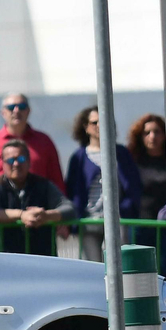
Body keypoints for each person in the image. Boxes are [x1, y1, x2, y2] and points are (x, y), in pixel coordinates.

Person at [66, 106, 143, 261]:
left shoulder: (121, 153)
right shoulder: (79, 157)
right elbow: (72, 189)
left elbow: (133, 185)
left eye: (104, 121)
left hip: (116, 221)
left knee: (118, 263)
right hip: (89, 221)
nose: (100, 126)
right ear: (86, 127)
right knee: (93, 266)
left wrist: (124, 209)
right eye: (95, 122)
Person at [0, 139, 73, 257]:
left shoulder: (43, 185)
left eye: (21, 159)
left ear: (29, 162)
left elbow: (69, 208)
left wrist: (46, 216)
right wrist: (21, 215)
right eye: (10, 160)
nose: (16, 164)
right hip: (5, 258)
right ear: (3, 164)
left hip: (42, 257)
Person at [0, 94, 66, 197]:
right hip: (3, 210)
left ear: (28, 111)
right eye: (11, 107)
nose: (16, 111)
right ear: (3, 113)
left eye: (21, 107)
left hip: (39, 209)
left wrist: (59, 210)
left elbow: (56, 180)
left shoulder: (44, 141)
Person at [127, 113, 166, 278]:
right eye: (147, 132)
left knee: (165, 271)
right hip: (140, 224)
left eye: (157, 132)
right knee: (140, 272)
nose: (153, 137)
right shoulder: (133, 161)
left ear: (165, 135)